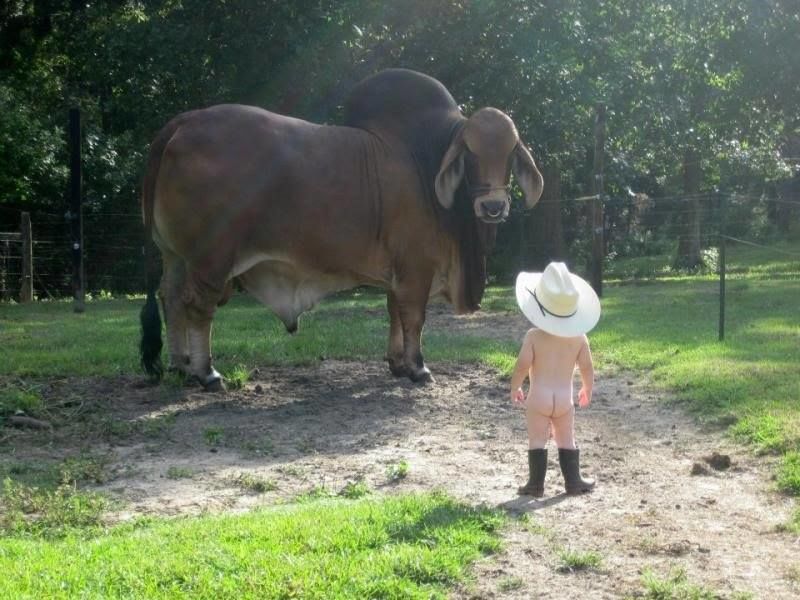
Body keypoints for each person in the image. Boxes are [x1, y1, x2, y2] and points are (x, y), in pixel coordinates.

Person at [509, 261, 600, 497]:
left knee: (537, 440)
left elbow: (522, 365)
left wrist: (515, 387)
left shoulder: (533, 336)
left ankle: (535, 485)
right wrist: (587, 389)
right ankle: (574, 482)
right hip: (564, 400)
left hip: (538, 398)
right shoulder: (579, 338)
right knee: (566, 438)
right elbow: (587, 367)